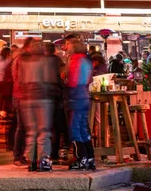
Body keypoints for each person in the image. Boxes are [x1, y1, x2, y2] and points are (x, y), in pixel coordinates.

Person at [18, 40, 58, 172]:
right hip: (43, 98)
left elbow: (19, 79)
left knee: (31, 131)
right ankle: (43, 159)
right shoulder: (45, 61)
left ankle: (31, 160)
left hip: (26, 98)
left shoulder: (22, 61)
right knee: (44, 130)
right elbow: (50, 79)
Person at [65, 38, 95, 170]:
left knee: (75, 129)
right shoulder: (87, 60)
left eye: (69, 45)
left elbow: (72, 80)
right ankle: (90, 157)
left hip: (76, 96)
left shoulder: (75, 60)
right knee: (83, 128)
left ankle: (80, 158)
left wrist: (66, 82)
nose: (67, 47)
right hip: (85, 95)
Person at [11, 38, 34, 167]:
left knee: (24, 127)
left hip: (23, 95)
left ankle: (21, 155)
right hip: (22, 96)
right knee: (22, 127)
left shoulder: (22, 59)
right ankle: (18, 156)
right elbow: (20, 78)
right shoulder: (22, 59)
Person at [45, 42, 68, 163]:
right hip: (56, 97)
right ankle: (54, 154)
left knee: (46, 127)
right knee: (57, 128)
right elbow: (61, 77)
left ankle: (44, 155)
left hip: (43, 96)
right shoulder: (57, 61)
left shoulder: (40, 61)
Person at [0, 47, 13, 119]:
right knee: (7, 98)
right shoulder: (8, 61)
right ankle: (5, 113)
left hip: (0, 81)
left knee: (2, 97)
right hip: (6, 81)